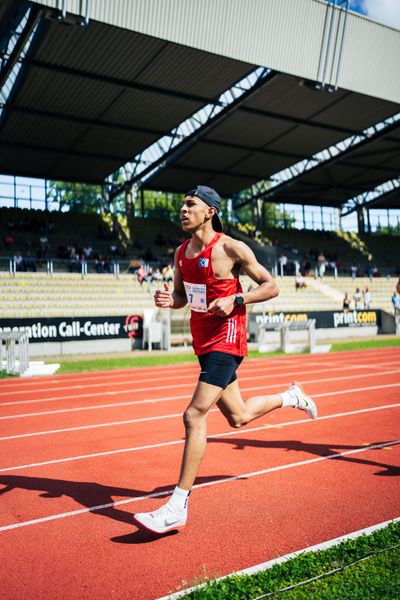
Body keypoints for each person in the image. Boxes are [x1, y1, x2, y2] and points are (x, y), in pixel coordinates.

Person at [134, 185, 317, 535]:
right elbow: (181, 297)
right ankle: (292, 396)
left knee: (193, 414)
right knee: (239, 416)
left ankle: (177, 505)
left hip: (227, 338)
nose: (183, 210)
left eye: (191, 204)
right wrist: (166, 300)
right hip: (202, 342)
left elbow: (271, 286)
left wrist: (236, 300)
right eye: (182, 204)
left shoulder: (231, 247)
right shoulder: (180, 254)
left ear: (210, 212)